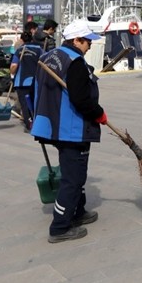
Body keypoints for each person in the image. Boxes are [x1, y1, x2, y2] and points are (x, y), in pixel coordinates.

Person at [31, 18, 107, 243]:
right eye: (87, 41)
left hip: (51, 124)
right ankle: (60, 226)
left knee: (75, 173)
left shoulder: (48, 57)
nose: (90, 45)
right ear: (76, 40)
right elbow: (81, 98)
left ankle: (78, 211)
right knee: (73, 178)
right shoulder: (75, 62)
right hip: (71, 128)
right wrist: (98, 113)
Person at [9, 25, 43, 131]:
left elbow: (13, 66)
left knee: (24, 104)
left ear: (23, 39)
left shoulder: (19, 50)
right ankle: (37, 123)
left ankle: (29, 125)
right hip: (35, 81)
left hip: (21, 82)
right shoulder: (39, 49)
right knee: (35, 102)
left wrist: (12, 73)